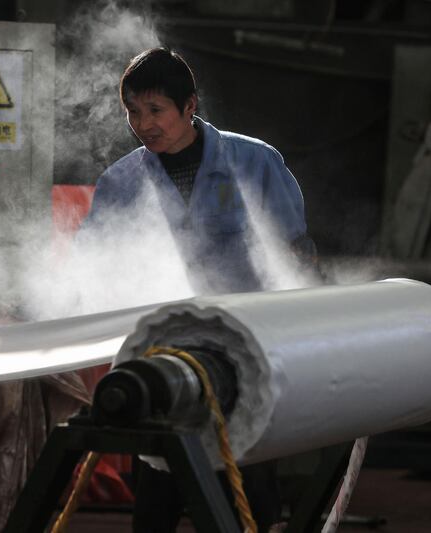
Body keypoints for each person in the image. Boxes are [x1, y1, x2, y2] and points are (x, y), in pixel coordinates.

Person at [80, 47, 319, 532]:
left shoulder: (254, 162)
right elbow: (90, 269)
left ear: (189, 106)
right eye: (132, 111)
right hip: (162, 357)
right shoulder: (121, 183)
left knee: (248, 499)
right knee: (157, 499)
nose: (143, 124)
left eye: (155, 110)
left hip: (247, 354)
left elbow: (297, 256)